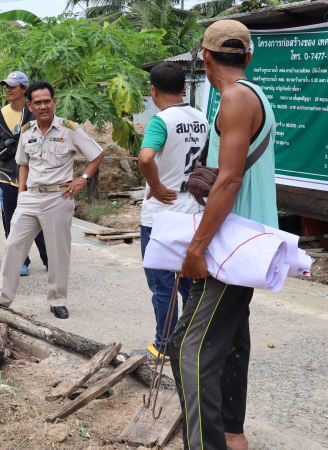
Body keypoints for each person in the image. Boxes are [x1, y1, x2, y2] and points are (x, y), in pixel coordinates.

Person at [170, 20, 277, 450]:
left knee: (186, 347)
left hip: (230, 245)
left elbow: (230, 181)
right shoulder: (256, 95)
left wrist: (196, 250)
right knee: (231, 338)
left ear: (206, 57)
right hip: (247, 238)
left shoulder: (233, 98)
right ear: (248, 56)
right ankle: (233, 433)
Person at [0, 80, 104, 319]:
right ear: (30, 105)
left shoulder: (70, 130)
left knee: (57, 252)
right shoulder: (27, 132)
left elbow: (97, 154)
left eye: (47, 101)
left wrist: (82, 179)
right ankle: (2, 297)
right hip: (30, 197)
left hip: (58, 197)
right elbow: (23, 164)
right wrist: (22, 193)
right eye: (38, 102)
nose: (43, 106)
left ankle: (57, 300)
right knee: (13, 245)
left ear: (54, 102)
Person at [137, 62, 208, 365]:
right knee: (190, 282)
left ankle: (165, 346)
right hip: (193, 210)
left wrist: (155, 184)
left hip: (162, 215)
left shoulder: (160, 120)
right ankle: (194, 342)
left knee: (163, 286)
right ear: (184, 87)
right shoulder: (201, 118)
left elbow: (145, 157)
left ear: (153, 90)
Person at [0, 71, 48, 276]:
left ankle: (48, 259)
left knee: (39, 221)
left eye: (13, 86)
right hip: (8, 177)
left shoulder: (34, 112)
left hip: (33, 177)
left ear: (24, 90)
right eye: (6, 85)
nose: (8, 89)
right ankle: (21, 261)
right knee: (12, 222)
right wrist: (7, 148)